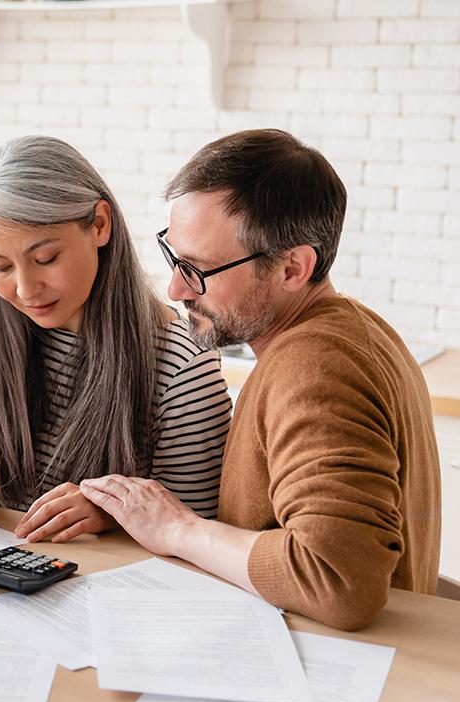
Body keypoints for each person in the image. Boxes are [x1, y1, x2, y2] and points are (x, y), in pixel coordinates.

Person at [80, 128, 441, 631]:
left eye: (198, 267)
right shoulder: (359, 329)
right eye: (173, 256)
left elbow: (339, 581)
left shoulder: (313, 366)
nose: (176, 287)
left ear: (293, 267)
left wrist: (177, 528)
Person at [0, 135, 231, 541]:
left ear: (100, 224)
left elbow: (198, 529)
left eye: (45, 258)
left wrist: (112, 513)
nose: (26, 289)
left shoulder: (182, 363)